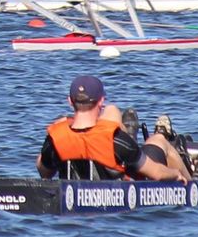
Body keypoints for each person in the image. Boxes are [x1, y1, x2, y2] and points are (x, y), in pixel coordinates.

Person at [35, 75, 187, 181]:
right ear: (101, 101)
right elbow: (157, 174)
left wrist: (55, 135)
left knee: (112, 113)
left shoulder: (55, 139)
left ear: (70, 101)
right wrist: (175, 174)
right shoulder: (116, 140)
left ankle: (131, 135)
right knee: (158, 140)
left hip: (75, 190)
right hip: (128, 173)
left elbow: (44, 172)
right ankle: (195, 182)